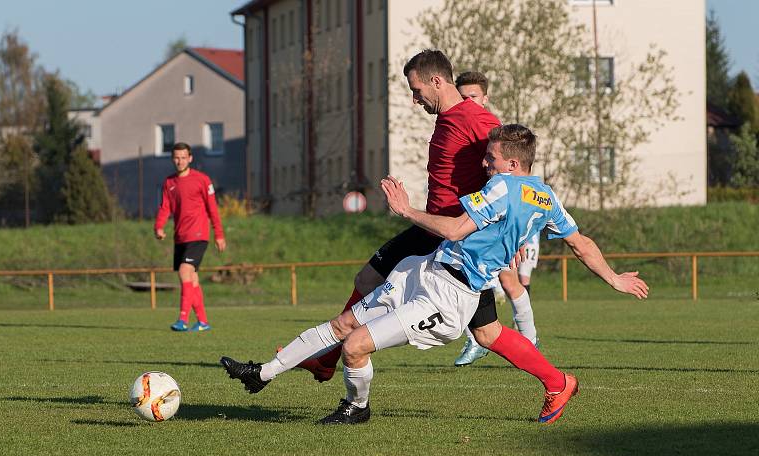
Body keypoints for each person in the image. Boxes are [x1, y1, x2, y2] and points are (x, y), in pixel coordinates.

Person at [220, 124, 649, 425]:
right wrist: (613, 279)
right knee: (345, 324)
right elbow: (581, 242)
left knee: (354, 345)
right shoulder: (547, 196)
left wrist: (406, 210)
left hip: (448, 297)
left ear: (513, 163)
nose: (484, 163)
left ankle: (357, 407)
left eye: (491, 157)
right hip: (423, 270)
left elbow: (456, 228)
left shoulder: (502, 186)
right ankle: (263, 374)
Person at [294, 50, 501, 382]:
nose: (414, 99)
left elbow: (506, 173)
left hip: (454, 236)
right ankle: (326, 359)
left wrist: (510, 226)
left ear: (436, 81)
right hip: (431, 227)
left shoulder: (476, 119)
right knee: (367, 280)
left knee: (488, 333)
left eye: (416, 90)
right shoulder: (446, 119)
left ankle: (557, 381)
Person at [453, 71, 539, 366]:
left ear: (485, 99)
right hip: (474, 214)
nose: (466, 102)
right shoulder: (457, 127)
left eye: (472, 97)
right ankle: (477, 338)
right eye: (461, 97)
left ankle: (529, 341)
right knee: (465, 275)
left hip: (500, 217)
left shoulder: (491, 132)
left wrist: (513, 234)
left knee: (509, 280)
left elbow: (514, 181)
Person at [154, 142, 226, 332]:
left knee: (185, 271)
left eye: (183, 157)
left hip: (199, 234)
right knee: (191, 278)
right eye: (176, 158)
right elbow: (165, 207)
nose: (180, 161)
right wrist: (159, 227)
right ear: (172, 159)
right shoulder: (169, 183)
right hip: (180, 236)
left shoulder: (202, 180)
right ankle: (203, 321)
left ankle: (182, 320)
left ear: (190, 158)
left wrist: (219, 234)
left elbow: (213, 209)